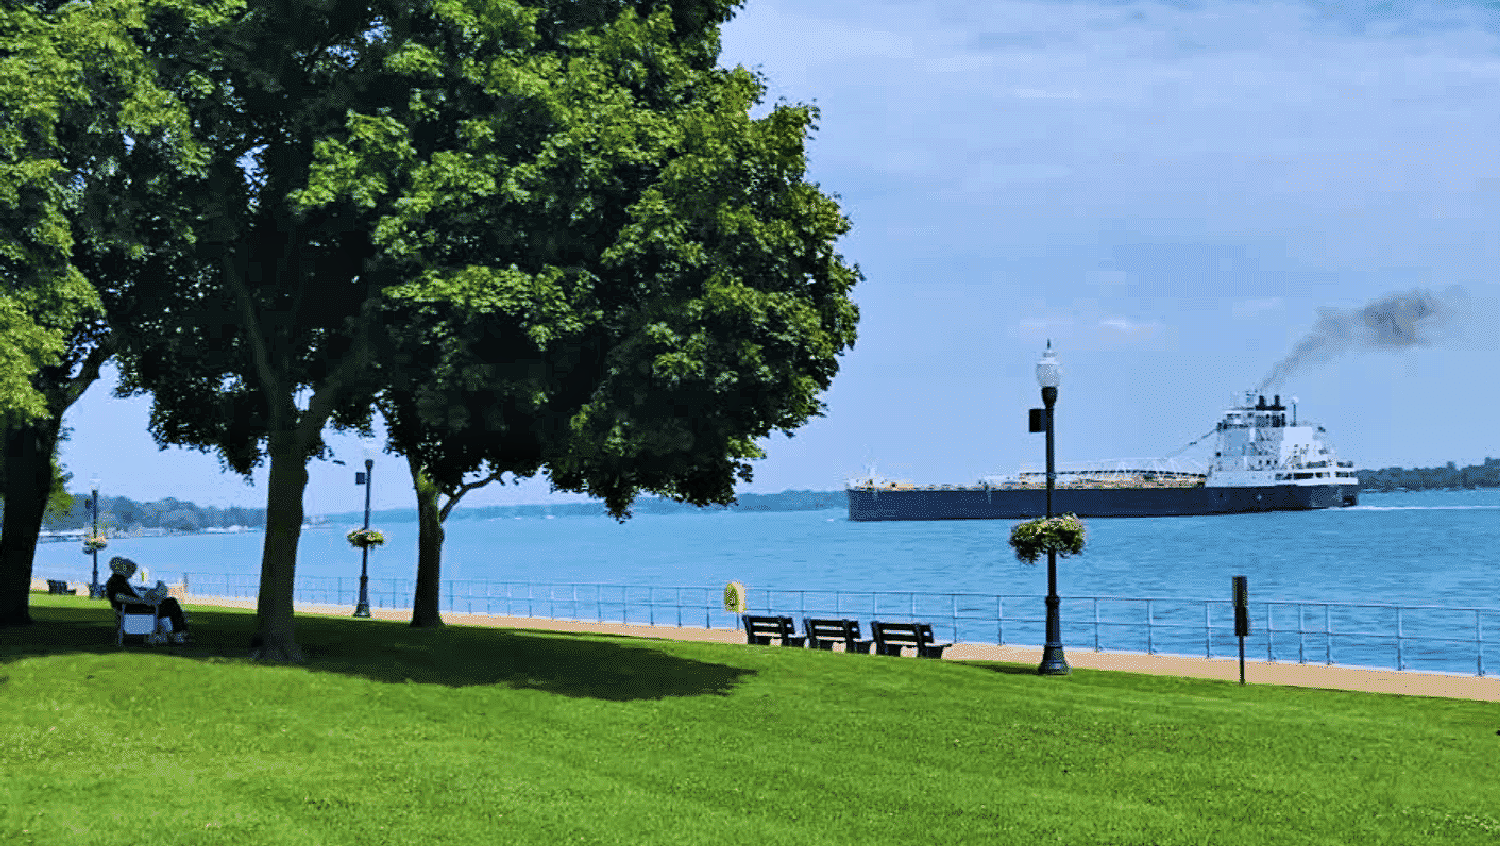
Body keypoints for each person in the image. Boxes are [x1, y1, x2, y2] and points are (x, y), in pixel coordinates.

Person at [105, 557, 190, 644]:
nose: (131, 573)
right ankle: (179, 633)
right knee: (171, 603)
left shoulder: (117, 580)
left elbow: (124, 596)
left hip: (133, 608)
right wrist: (143, 601)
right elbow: (120, 597)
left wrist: (145, 599)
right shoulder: (117, 581)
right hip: (134, 610)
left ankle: (176, 633)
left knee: (170, 602)